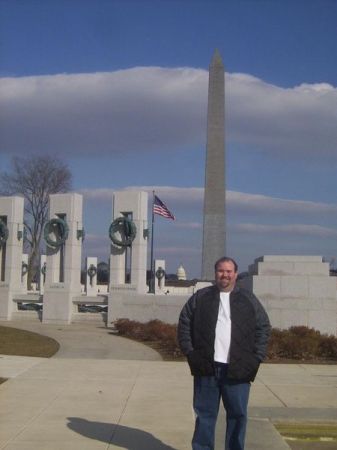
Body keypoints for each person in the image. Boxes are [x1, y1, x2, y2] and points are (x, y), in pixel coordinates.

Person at [177, 256, 271, 450]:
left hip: (238, 369)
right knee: (205, 417)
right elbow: (184, 323)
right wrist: (191, 353)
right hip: (207, 367)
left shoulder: (248, 299)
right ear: (215, 273)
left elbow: (264, 327)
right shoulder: (201, 297)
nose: (225, 275)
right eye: (221, 271)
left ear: (235, 274)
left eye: (229, 271)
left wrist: (255, 359)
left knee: (238, 416)